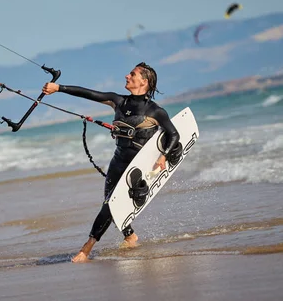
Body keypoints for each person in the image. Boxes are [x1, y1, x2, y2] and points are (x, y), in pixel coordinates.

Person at [42, 62, 181, 263]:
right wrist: (59, 88)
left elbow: (174, 134)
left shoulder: (155, 111)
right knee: (111, 203)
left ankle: (85, 250)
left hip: (136, 166)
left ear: (144, 81)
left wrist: (164, 155)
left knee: (109, 205)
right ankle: (130, 236)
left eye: (132, 74)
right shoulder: (118, 101)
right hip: (117, 161)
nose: (127, 76)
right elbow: (88, 93)